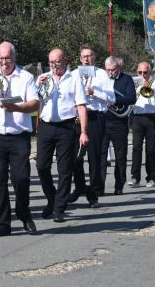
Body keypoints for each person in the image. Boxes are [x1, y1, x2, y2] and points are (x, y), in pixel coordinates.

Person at [0, 41, 39, 237]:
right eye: (1, 59)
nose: (4, 63)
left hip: (18, 135)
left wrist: (16, 108)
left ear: (14, 58)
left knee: (20, 178)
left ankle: (23, 211)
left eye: (7, 59)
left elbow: (35, 104)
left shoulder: (26, 78)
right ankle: (2, 223)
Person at [35, 48, 88, 222]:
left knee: (64, 169)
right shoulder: (44, 78)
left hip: (66, 127)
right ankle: (52, 198)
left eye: (57, 62)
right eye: (51, 62)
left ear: (64, 60)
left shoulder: (73, 80)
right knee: (42, 166)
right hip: (46, 126)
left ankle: (59, 207)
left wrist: (83, 132)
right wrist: (37, 85)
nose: (54, 65)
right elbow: (35, 101)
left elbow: (81, 106)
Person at [69, 45, 114, 208]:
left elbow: (112, 98)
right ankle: (80, 187)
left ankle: (95, 191)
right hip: (77, 118)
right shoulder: (73, 74)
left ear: (94, 58)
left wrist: (95, 92)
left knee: (95, 157)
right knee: (75, 157)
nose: (87, 59)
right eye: (84, 56)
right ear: (80, 58)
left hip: (95, 116)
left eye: (90, 56)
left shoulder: (101, 74)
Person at [101, 56, 137, 194]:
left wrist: (114, 100)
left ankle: (119, 185)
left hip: (119, 122)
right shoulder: (101, 79)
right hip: (103, 121)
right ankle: (99, 186)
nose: (110, 73)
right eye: (108, 70)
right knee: (101, 155)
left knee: (120, 156)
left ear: (118, 67)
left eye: (113, 70)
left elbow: (132, 98)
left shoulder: (126, 79)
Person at [131, 61, 155, 187]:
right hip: (138, 117)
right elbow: (130, 98)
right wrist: (138, 91)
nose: (143, 75)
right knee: (136, 148)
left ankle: (151, 178)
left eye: (145, 72)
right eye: (140, 72)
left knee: (150, 149)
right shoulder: (134, 82)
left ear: (150, 72)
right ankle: (135, 177)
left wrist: (152, 91)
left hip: (152, 117)